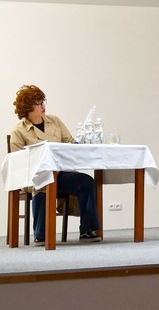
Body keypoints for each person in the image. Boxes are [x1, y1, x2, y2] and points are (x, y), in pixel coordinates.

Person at [10, 84, 101, 244]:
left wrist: (78, 143)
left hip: (60, 173)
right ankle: (41, 234)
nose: (43, 106)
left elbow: (70, 143)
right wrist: (41, 174)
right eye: (38, 103)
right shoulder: (18, 131)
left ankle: (88, 230)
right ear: (27, 108)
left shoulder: (55, 121)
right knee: (42, 184)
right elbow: (18, 165)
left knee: (86, 181)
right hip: (34, 178)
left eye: (43, 101)